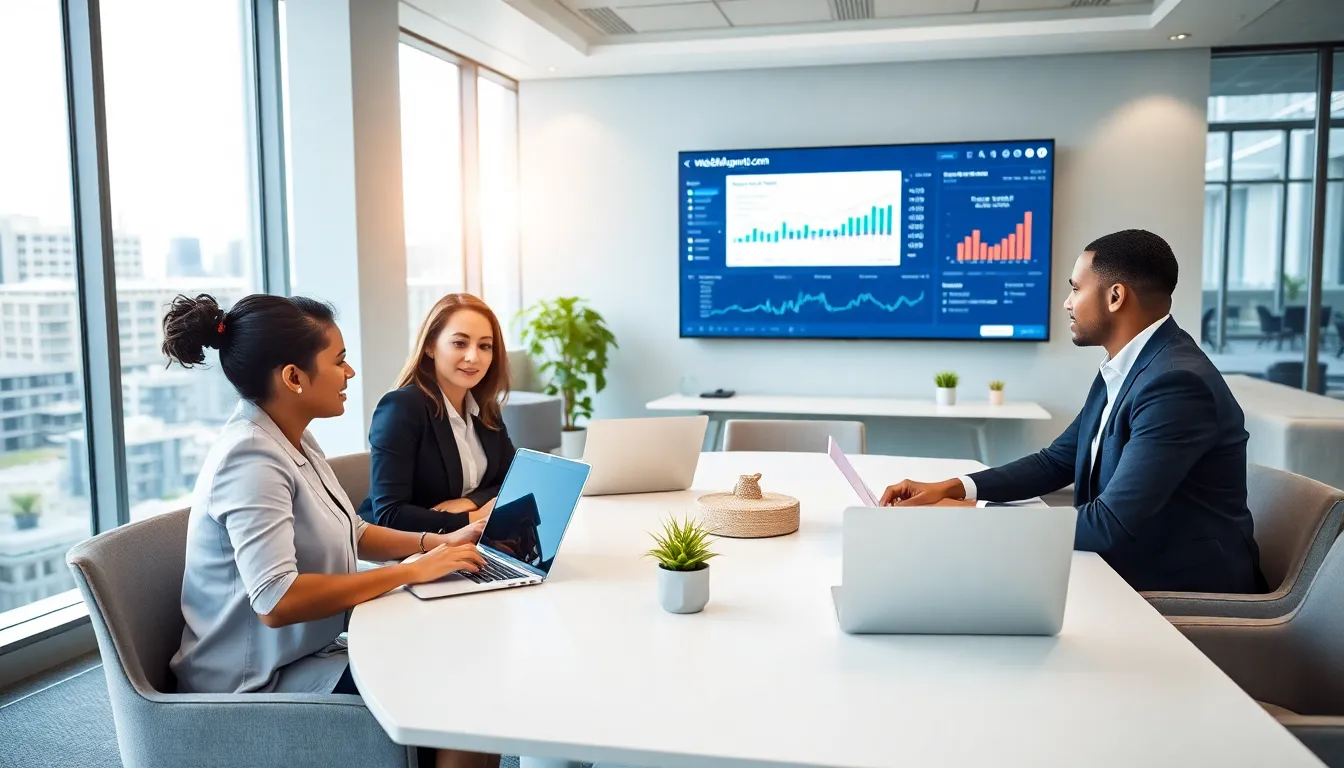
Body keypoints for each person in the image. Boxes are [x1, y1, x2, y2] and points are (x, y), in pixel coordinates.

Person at [163, 293, 497, 768]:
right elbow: (276, 600)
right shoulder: (250, 458)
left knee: (470, 659)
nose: (350, 373)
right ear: (293, 377)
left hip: (307, 651)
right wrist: (411, 571)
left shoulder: (293, 435)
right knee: (467, 685)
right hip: (255, 683)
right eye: (339, 361)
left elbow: (354, 530)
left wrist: (438, 543)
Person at [880, 229, 1265, 594]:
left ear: (1115, 297)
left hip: (1176, 590)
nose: (1067, 303)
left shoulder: (1176, 384)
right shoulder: (1127, 366)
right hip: (1120, 568)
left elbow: (1108, 525)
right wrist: (951, 488)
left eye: (1076, 289)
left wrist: (969, 512)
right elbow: (1056, 461)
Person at [359, 294, 515, 533]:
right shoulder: (401, 407)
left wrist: (470, 501)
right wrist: (472, 518)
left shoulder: (484, 407)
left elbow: (512, 479)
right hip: (408, 548)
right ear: (430, 346)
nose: (473, 357)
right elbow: (390, 515)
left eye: (484, 346)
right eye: (460, 343)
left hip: (467, 541)